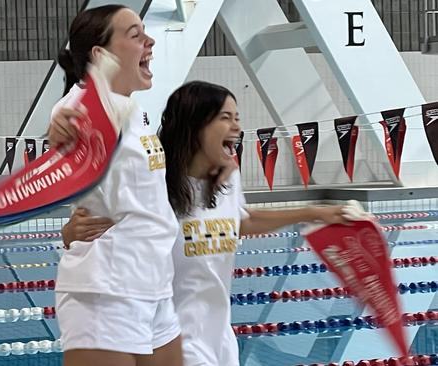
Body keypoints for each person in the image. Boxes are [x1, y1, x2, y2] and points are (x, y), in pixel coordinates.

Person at [61, 81, 353, 366]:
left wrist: (314, 213)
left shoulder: (227, 180)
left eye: (237, 118)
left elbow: (243, 221)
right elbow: (99, 228)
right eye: (225, 118)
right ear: (195, 125)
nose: (237, 127)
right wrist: (70, 233)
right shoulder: (152, 184)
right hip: (168, 338)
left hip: (219, 340)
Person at [47, 5, 183, 366]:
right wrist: (62, 129)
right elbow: (72, 127)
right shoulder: (80, 109)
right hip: (106, 291)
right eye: (136, 35)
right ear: (101, 54)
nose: (150, 41)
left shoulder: (133, 109)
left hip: (153, 285)